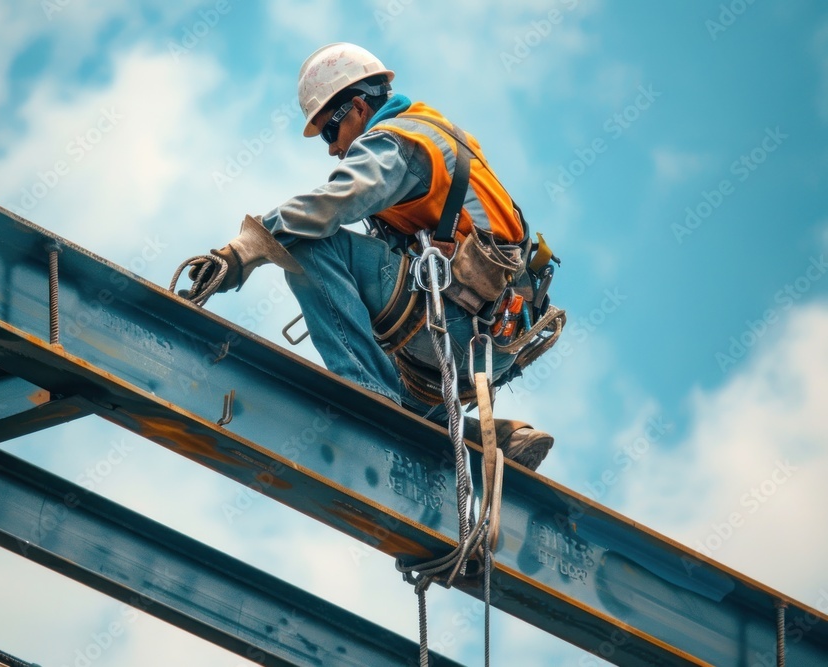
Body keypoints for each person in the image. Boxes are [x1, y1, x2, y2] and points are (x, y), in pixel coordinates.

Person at [190, 43, 560, 470]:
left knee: (305, 242)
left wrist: (246, 248)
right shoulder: (438, 135)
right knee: (380, 347)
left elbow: (332, 202)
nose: (331, 148)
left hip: (459, 325)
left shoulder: (398, 142)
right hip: (492, 345)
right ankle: (486, 438)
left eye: (331, 130)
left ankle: (367, 395)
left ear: (359, 108)